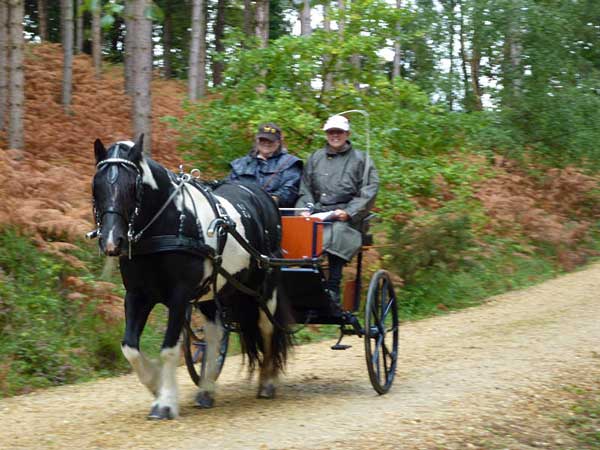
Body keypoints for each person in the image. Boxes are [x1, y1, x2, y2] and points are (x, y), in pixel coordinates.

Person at [295, 115, 379, 303]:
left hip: (347, 219)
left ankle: (333, 286)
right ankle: (305, 285)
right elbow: (305, 188)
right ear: (326, 134)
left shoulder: (361, 160)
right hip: (318, 213)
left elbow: (369, 190)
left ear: (347, 133)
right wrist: (305, 209)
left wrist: (349, 212)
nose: (335, 135)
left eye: (339, 132)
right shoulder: (315, 158)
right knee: (298, 233)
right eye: (331, 132)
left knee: (337, 233)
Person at [229, 123, 303, 208]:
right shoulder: (240, 164)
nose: (266, 143)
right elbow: (230, 187)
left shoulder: (290, 163)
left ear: (279, 142)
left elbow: (289, 192)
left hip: (276, 214)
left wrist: (268, 201)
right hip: (242, 211)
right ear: (257, 141)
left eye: (270, 141)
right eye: (262, 140)